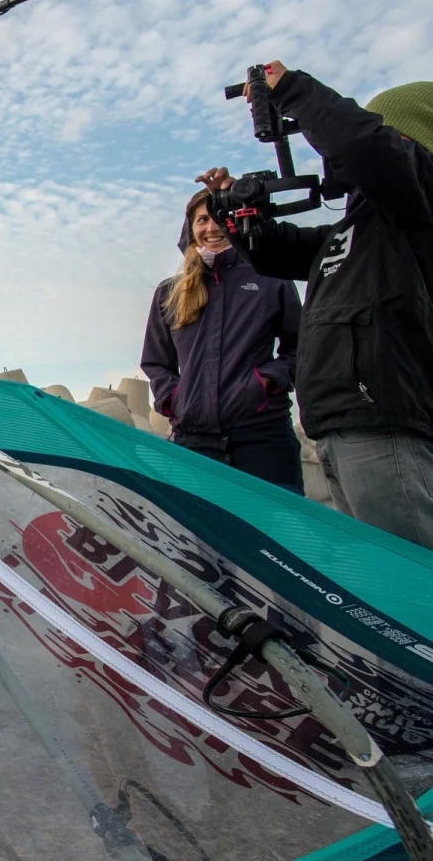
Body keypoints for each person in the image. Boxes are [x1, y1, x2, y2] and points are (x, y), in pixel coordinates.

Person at [196, 65, 433, 547]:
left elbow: (364, 147)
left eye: (385, 130)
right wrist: (230, 209)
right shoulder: (359, 228)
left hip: (383, 422)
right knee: (377, 576)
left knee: (409, 576)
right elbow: (277, 253)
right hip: (341, 423)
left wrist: (292, 90)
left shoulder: (419, 196)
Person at [141, 189, 304, 491]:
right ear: (190, 229)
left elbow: (302, 346)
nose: (211, 227)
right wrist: (175, 399)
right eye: (202, 220)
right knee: (200, 523)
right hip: (194, 442)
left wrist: (266, 382)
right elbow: (156, 362)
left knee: (278, 520)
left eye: (220, 217)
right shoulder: (169, 292)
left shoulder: (271, 278)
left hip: (263, 437)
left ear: (236, 222)